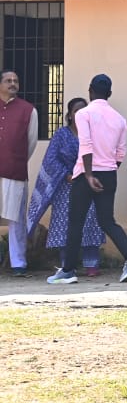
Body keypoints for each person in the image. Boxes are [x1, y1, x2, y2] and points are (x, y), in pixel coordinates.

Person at [49, 74, 127, 285]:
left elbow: (86, 144)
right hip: (109, 173)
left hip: (86, 174)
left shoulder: (83, 114)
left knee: (75, 222)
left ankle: (68, 271)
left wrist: (89, 174)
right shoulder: (119, 119)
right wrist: (108, 171)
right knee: (107, 221)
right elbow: (120, 152)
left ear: (90, 90)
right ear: (109, 93)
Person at [22, 98, 91, 276]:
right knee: (65, 222)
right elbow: (51, 159)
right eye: (76, 111)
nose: (80, 114)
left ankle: (92, 264)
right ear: (70, 115)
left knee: (91, 219)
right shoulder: (61, 134)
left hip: (87, 183)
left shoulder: (93, 133)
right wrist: (66, 174)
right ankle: (67, 264)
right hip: (65, 184)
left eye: (84, 110)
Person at [0, 69, 39, 277]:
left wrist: (15, 159)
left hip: (15, 173)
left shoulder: (28, 110)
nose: (13, 83)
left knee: (16, 219)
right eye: (8, 80)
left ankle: (18, 263)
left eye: (15, 80)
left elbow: (30, 143)